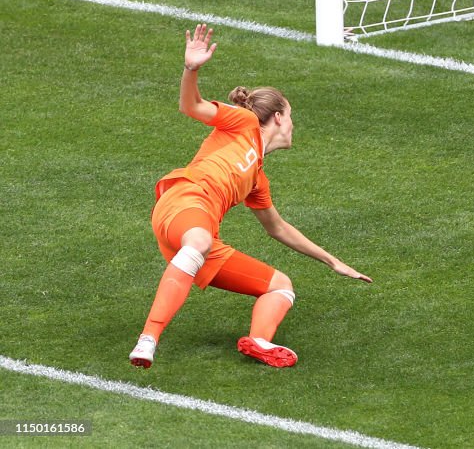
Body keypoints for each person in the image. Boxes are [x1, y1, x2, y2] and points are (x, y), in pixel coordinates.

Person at [129, 24, 372, 368]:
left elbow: (279, 228)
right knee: (199, 241)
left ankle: (259, 341)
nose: (292, 126)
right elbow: (191, 106)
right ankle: (148, 338)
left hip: (198, 236)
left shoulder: (257, 177)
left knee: (280, 286)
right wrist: (191, 68)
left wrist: (332, 261)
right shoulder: (243, 122)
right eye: (290, 117)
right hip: (185, 202)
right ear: (276, 117)